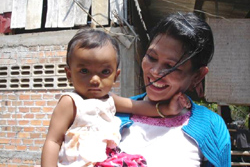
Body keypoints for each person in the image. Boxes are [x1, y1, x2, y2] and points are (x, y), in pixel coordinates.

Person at [41, 29, 189, 167]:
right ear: (69, 74)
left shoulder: (110, 100)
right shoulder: (71, 102)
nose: (94, 79)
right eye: (84, 71)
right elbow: (53, 141)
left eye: (104, 71)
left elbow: (137, 107)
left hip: (106, 161)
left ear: (115, 76)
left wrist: (167, 109)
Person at [114, 12, 231, 167]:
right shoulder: (113, 114)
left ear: (197, 76)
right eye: (151, 57)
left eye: (170, 66)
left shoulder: (211, 127)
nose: (155, 71)